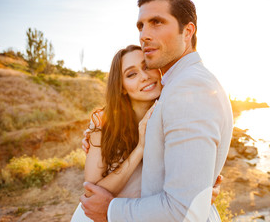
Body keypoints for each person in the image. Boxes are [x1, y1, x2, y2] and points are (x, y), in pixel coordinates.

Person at [80, 0, 233, 222]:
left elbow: (184, 211)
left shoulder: (189, 88)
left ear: (187, 31)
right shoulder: (173, 88)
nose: (144, 35)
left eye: (157, 22)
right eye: (141, 26)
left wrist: (110, 211)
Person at [72, 45, 223, 221]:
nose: (144, 77)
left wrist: (199, 192)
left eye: (146, 67)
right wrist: (140, 149)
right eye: (131, 74)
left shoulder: (174, 116)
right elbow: (92, 193)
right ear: (121, 87)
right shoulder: (104, 122)